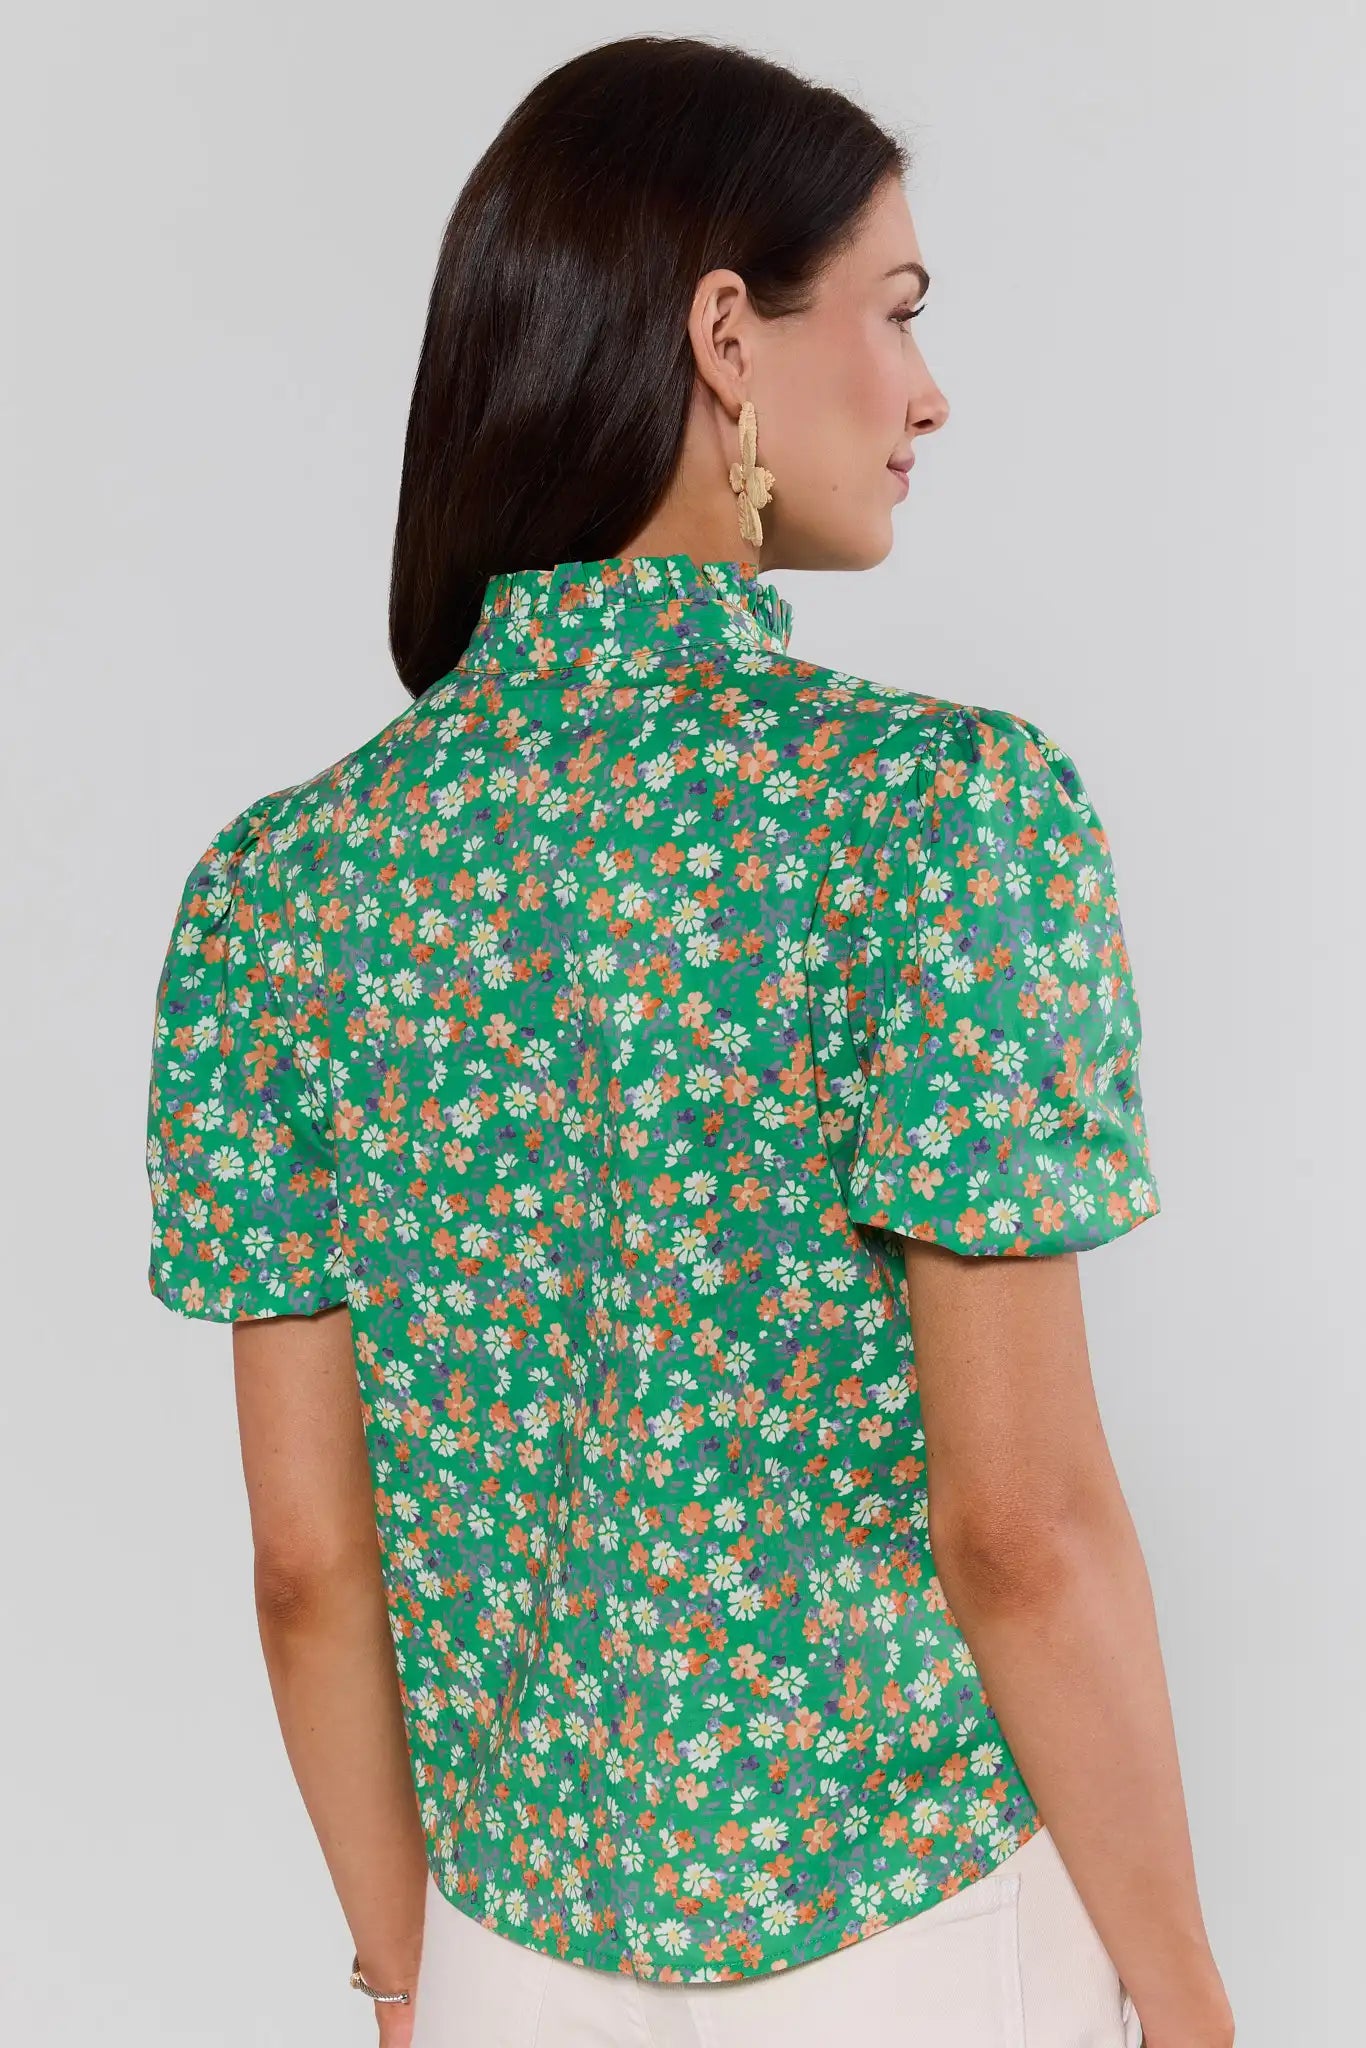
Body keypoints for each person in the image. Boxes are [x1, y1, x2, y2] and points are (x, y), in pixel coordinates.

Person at [143, 31, 1234, 2048]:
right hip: (912, 1948)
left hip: (500, 1954)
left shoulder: (275, 891)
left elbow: (309, 1565)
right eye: (892, 315)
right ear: (727, 334)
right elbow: (1020, 1530)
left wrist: (410, 1978)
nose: (926, 393)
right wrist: (1183, 1997)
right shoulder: (942, 814)